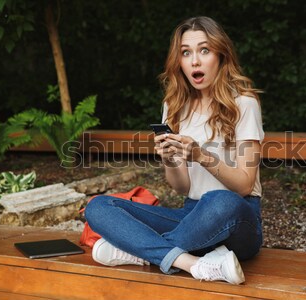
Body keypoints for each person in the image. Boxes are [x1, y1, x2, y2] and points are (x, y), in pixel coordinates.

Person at [85, 16, 264, 285]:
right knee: (98, 206)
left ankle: (137, 251)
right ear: (178, 61)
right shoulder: (175, 106)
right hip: (191, 219)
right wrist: (169, 158)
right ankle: (189, 262)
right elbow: (181, 187)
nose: (195, 61)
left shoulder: (244, 103)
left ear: (221, 55)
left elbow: (245, 185)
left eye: (204, 50)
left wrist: (201, 155)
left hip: (238, 220)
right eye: (186, 53)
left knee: (220, 200)